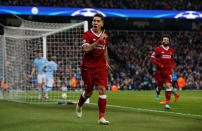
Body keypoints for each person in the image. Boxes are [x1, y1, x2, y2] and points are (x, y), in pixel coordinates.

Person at [76, 13, 111, 125]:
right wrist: (98, 41)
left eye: (98, 21)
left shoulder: (105, 36)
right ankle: (79, 105)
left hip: (100, 66)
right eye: (94, 21)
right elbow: (86, 49)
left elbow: (105, 49)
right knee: (88, 92)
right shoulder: (86, 34)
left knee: (102, 89)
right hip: (88, 66)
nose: (95, 22)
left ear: (102, 23)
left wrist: (106, 62)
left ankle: (101, 117)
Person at [150, 34, 180, 109]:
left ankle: (167, 103)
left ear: (169, 41)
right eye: (164, 40)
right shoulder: (158, 49)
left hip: (168, 71)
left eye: (167, 40)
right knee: (160, 87)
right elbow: (152, 59)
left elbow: (172, 60)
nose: (165, 41)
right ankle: (158, 92)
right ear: (162, 41)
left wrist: (174, 68)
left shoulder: (171, 50)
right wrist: (159, 64)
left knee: (169, 86)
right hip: (159, 72)